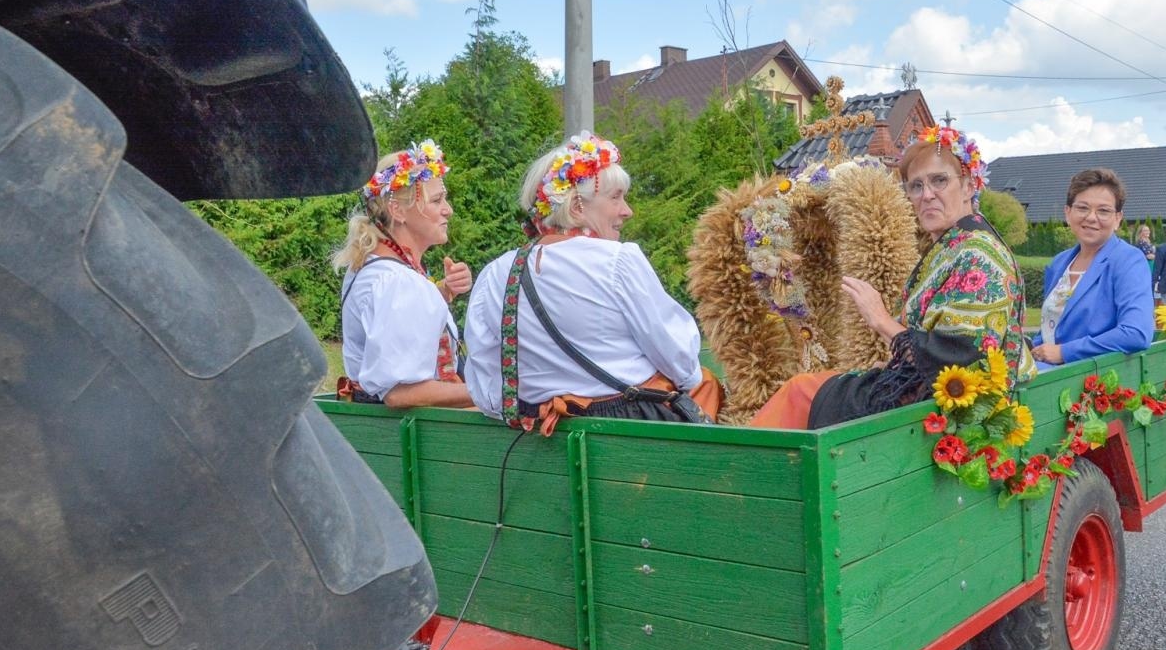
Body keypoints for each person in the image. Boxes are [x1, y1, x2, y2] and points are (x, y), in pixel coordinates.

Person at [751, 126, 1036, 429]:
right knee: (812, 386)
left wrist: (880, 319)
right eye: (916, 186)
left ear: (968, 187)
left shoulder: (977, 254)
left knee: (802, 392)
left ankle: (736, 470)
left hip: (956, 407)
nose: (927, 195)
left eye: (939, 180)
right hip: (930, 390)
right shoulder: (955, 245)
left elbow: (961, 355)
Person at [464, 133, 722, 434]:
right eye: (615, 197)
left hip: (534, 439)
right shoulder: (617, 261)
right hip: (631, 434)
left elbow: (487, 391)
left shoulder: (496, 274)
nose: (627, 210)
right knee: (708, 385)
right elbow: (680, 360)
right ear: (576, 206)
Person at [333, 140, 473, 408]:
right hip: (412, 437)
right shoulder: (396, 282)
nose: (448, 209)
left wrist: (442, 291)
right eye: (436, 200)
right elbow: (401, 393)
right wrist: (492, 392)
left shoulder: (377, 267)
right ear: (397, 211)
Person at [1029, 169, 1153, 369]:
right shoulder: (1059, 263)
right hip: (1048, 373)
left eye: (1103, 211)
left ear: (1118, 219)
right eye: (1082, 208)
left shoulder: (1128, 260)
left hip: (1093, 380)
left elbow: (1136, 332)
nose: (1091, 217)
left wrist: (1064, 352)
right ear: (1068, 213)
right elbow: (1052, 328)